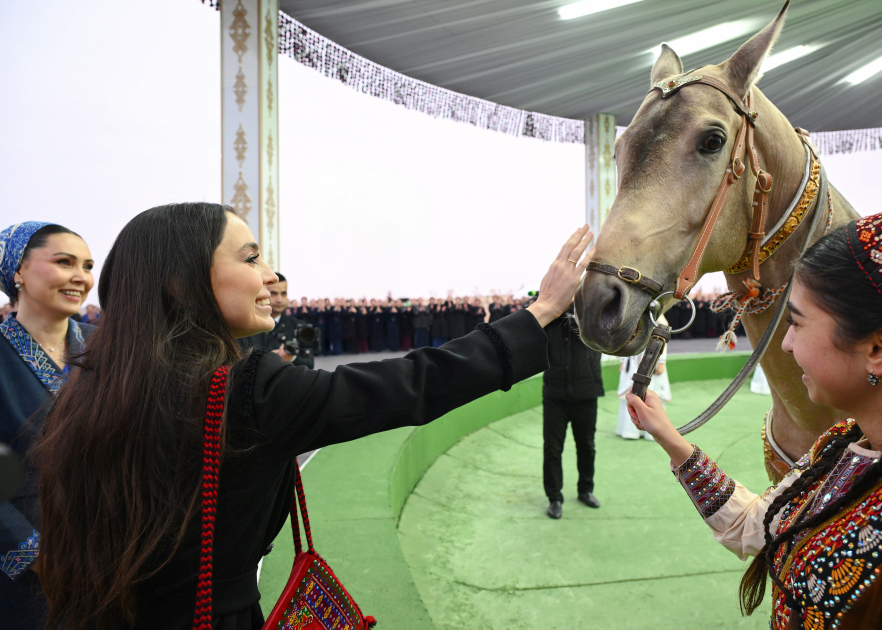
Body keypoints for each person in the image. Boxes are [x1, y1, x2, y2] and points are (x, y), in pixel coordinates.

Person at [32, 203, 594, 630]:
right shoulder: (245, 391)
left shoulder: (86, 386)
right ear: (181, 284)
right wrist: (541, 312)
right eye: (250, 258)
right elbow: (412, 385)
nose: (269, 276)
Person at [626, 207, 882, 629]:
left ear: (879, 349)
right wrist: (669, 437)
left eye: (797, 322)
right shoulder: (844, 442)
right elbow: (759, 525)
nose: (787, 343)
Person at [0, 222, 95, 630]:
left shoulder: (108, 347)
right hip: (29, 568)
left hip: (111, 555)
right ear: (19, 271)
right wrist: (35, 554)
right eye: (64, 262)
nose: (81, 277)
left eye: (87, 266)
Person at [542, 305, 604, 519]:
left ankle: (585, 490)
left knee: (586, 446)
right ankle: (554, 498)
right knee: (552, 449)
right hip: (555, 395)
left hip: (586, 392)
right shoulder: (549, 318)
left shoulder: (591, 316)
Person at [237, 272, 313, 368]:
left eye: (283, 294)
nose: (279, 300)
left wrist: (291, 358)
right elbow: (233, 364)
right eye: (273, 293)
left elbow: (309, 364)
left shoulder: (298, 326)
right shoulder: (244, 327)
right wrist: (267, 359)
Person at [615, 317, 670, 440]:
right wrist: (622, 360)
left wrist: (661, 361)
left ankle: (652, 431)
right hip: (632, 359)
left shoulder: (658, 316)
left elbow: (662, 336)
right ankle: (629, 430)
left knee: (651, 394)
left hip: (651, 357)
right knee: (630, 394)